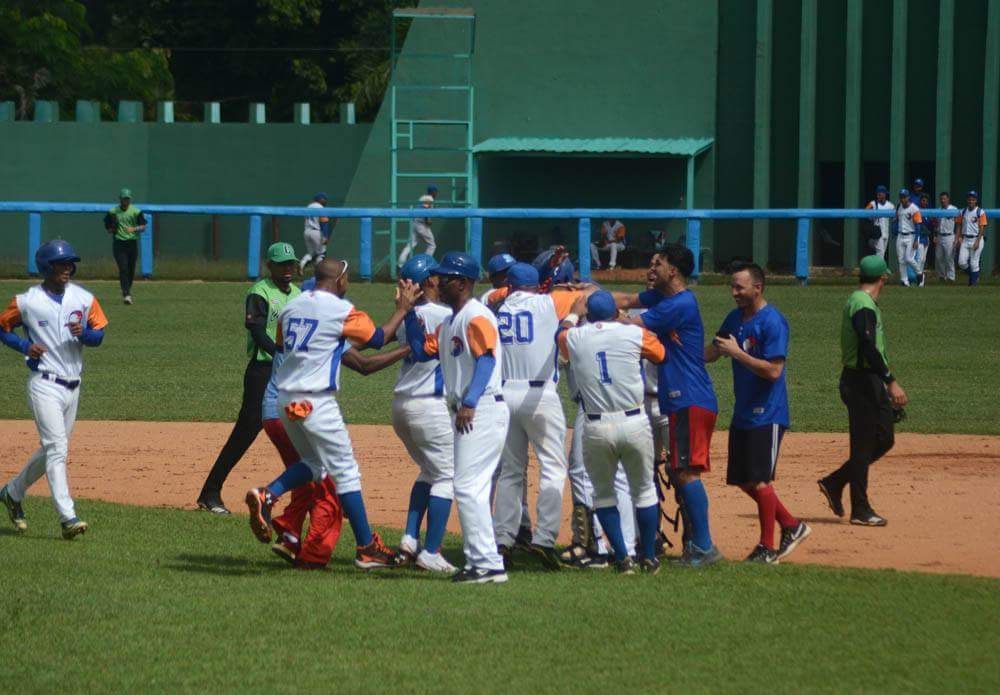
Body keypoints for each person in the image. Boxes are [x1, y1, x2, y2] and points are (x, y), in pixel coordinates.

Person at [244, 258, 420, 569]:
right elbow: (378, 338)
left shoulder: (292, 307)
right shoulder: (341, 309)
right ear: (340, 279)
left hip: (285, 399)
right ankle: (367, 548)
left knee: (315, 465)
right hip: (315, 401)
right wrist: (403, 309)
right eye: (347, 277)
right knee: (347, 472)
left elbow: (287, 345)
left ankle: (268, 494)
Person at [265, 309, 410, 569]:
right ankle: (318, 555)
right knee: (332, 488)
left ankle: (287, 532)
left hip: (278, 410)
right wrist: (407, 346)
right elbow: (365, 362)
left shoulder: (297, 323)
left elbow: (363, 342)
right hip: (306, 407)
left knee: (311, 475)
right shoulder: (325, 330)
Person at [614, 243, 722, 567]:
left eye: (657, 263)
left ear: (672, 270)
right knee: (680, 469)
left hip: (689, 398)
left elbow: (632, 323)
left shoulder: (680, 304)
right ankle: (696, 544)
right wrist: (588, 292)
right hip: (682, 399)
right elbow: (630, 300)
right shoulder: (665, 298)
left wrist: (597, 311)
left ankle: (703, 546)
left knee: (687, 473)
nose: (652, 269)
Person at [406, 252, 511, 584]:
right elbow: (423, 351)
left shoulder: (476, 316)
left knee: (467, 486)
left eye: (446, 277)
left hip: (481, 408)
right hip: (470, 410)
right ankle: (485, 562)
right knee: (471, 487)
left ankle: (486, 563)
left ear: (463, 283)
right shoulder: (452, 319)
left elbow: (487, 360)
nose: (437, 282)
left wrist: (469, 401)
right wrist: (407, 312)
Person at [485, 263, 592, 570]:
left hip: (505, 396)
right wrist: (575, 298)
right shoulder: (549, 302)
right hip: (540, 396)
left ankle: (502, 539)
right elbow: (591, 298)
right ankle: (544, 540)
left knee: (510, 471)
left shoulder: (496, 305)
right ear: (537, 286)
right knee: (552, 469)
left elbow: (493, 294)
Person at [0, 240, 108, 539]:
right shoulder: (26, 301)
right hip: (44, 384)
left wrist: (85, 334)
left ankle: (12, 492)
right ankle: (67, 517)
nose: (68, 269)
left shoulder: (84, 298)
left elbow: (99, 334)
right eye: (62, 264)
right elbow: (2, 327)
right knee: (58, 449)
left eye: (70, 264)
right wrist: (24, 345)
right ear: (47, 268)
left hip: (73, 388)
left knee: (53, 449)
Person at [705, 263, 810, 564]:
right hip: (743, 412)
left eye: (739, 287)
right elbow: (713, 351)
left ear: (758, 288)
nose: (734, 292)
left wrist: (738, 353)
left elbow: (774, 371)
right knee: (743, 479)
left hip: (769, 413)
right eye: (733, 287)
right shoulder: (734, 318)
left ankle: (767, 548)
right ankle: (791, 524)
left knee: (760, 480)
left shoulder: (773, 322)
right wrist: (678, 356)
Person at [558, 291, 666, 575]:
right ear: (614, 312)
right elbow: (661, 353)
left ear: (588, 314)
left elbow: (561, 336)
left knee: (603, 496)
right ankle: (649, 557)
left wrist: (572, 313)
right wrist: (624, 322)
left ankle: (622, 558)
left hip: (596, 426)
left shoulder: (576, 336)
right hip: (634, 422)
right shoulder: (632, 334)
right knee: (643, 491)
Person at [195, 242, 301, 514]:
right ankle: (210, 492)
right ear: (270, 266)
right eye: (281, 264)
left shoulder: (299, 294)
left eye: (290, 264)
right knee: (245, 432)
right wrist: (281, 355)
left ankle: (313, 497)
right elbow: (257, 332)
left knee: (302, 433)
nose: (287, 269)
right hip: (263, 372)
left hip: (290, 373)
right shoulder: (260, 292)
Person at [818, 255, 908, 526]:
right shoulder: (862, 304)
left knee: (884, 438)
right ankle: (860, 508)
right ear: (883, 278)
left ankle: (835, 482)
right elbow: (868, 345)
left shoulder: (862, 301)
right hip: (860, 382)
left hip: (868, 381)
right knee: (863, 445)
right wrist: (890, 381)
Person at [393, 255, 460, 573]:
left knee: (429, 472)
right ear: (430, 281)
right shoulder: (446, 315)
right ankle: (431, 551)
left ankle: (409, 539)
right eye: (439, 275)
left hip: (401, 407)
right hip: (429, 407)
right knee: (447, 475)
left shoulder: (407, 315)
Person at [103, 187, 146, 305]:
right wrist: (112, 229)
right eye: (124, 199)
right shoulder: (113, 212)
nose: (126, 201)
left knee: (131, 270)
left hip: (132, 243)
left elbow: (143, 227)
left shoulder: (136, 211)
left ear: (130, 199)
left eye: (127, 199)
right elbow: (107, 227)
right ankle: (126, 294)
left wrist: (134, 228)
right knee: (123, 268)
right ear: (120, 199)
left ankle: (127, 290)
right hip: (119, 243)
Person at [398, 185, 438, 267]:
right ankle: (425, 264)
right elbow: (426, 210)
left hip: (416, 223)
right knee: (432, 245)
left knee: (410, 245)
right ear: (433, 192)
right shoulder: (428, 199)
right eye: (436, 191)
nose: (437, 193)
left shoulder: (424, 197)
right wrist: (428, 220)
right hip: (422, 224)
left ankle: (400, 264)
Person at [957, 190, 988, 286]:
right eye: (969, 199)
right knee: (961, 262)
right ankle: (974, 276)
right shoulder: (963, 211)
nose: (971, 201)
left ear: (976, 200)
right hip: (965, 239)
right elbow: (959, 225)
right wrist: (958, 238)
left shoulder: (980, 212)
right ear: (967, 200)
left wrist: (978, 241)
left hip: (976, 238)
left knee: (974, 263)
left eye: (973, 199)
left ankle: (973, 285)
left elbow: (982, 228)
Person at [894, 189, 923, 286]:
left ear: (908, 197)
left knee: (909, 258)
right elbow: (897, 218)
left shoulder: (914, 208)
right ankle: (904, 281)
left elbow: (918, 225)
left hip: (911, 235)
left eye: (904, 197)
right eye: (901, 197)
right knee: (901, 259)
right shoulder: (899, 207)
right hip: (900, 235)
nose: (902, 199)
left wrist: (916, 239)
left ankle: (919, 273)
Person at [299, 192, 332, 273]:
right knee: (322, 253)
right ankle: (319, 271)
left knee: (311, 253)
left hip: (307, 231)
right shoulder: (320, 207)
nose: (325, 201)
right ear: (320, 199)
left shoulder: (308, 206)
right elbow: (324, 223)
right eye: (324, 199)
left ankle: (302, 263)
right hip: (317, 232)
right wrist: (325, 236)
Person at [933, 192, 959, 282]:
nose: (942, 200)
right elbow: (936, 224)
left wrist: (957, 238)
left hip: (950, 236)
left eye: (944, 198)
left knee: (949, 257)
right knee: (939, 257)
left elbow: (958, 224)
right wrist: (935, 235)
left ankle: (951, 277)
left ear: (948, 199)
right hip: (940, 235)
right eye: (941, 199)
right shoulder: (938, 210)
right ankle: (942, 276)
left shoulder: (954, 209)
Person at [865, 185, 893, 258]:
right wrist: (872, 216)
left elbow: (895, 216)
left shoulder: (890, 205)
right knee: (880, 253)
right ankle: (880, 269)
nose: (880, 195)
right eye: (879, 194)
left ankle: (877, 268)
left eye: (882, 193)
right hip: (877, 232)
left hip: (886, 232)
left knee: (882, 253)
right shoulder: (873, 203)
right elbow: (865, 213)